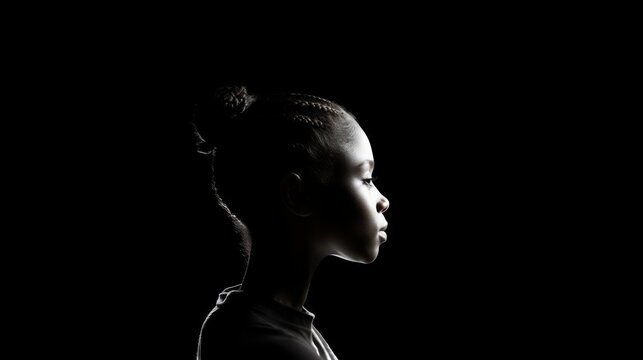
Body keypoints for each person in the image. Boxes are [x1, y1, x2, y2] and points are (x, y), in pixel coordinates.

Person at [194, 85, 390, 360]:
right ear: (297, 195)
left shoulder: (259, 323)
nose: (384, 201)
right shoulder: (269, 344)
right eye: (367, 179)